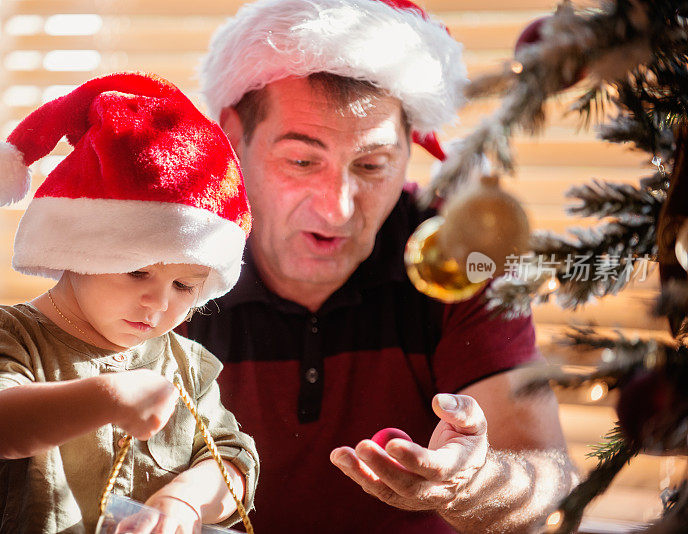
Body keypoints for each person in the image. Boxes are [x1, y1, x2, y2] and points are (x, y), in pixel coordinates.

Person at [181, 1, 579, 532]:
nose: (338, 209)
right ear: (233, 136)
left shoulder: (456, 256)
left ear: (409, 151)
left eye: (371, 165)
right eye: (302, 161)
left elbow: (553, 488)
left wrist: (471, 482)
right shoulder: (174, 255)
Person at [0, 72, 259, 534]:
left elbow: (236, 462)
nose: (158, 302)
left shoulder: (185, 363)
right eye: (138, 271)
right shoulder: (16, 334)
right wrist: (105, 398)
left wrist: (183, 502)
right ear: (79, 251)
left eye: (184, 286)